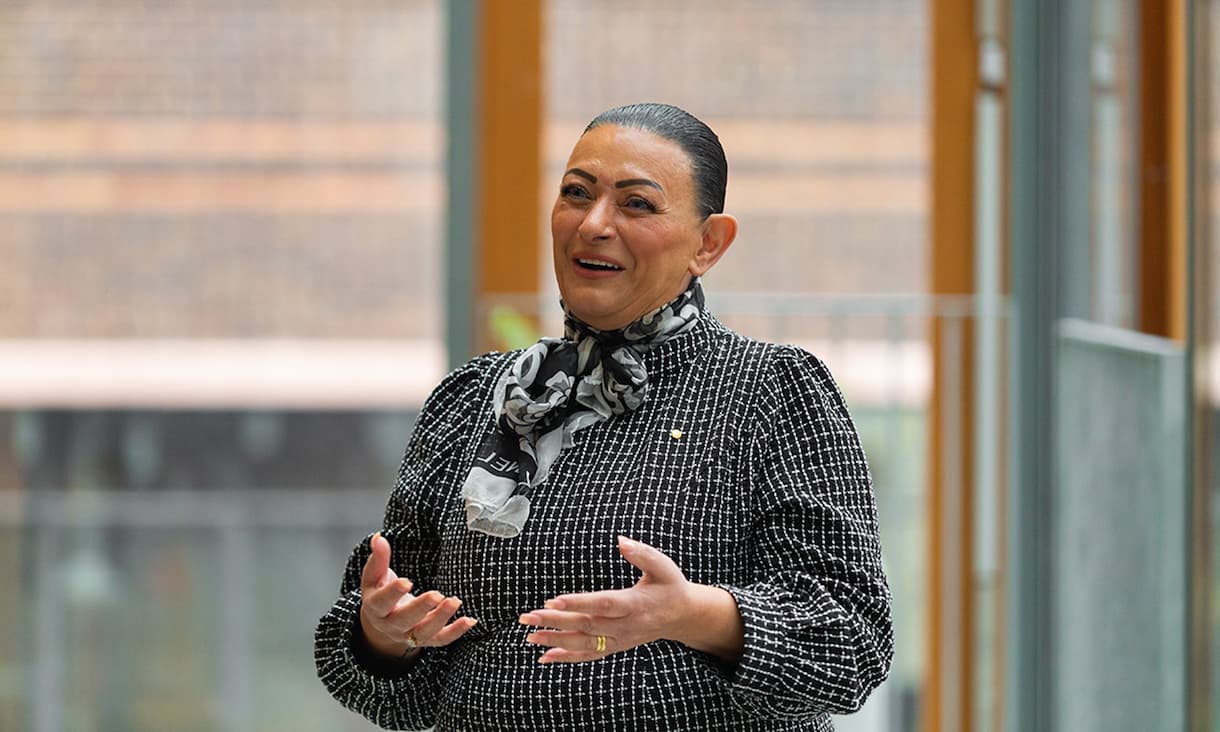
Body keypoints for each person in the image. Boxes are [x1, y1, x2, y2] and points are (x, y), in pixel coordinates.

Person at [315, 102, 892, 731]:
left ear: (708, 244)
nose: (593, 224)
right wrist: (383, 635)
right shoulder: (473, 396)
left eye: (637, 204)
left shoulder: (770, 390)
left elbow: (853, 643)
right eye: (576, 194)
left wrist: (694, 614)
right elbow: (392, 680)